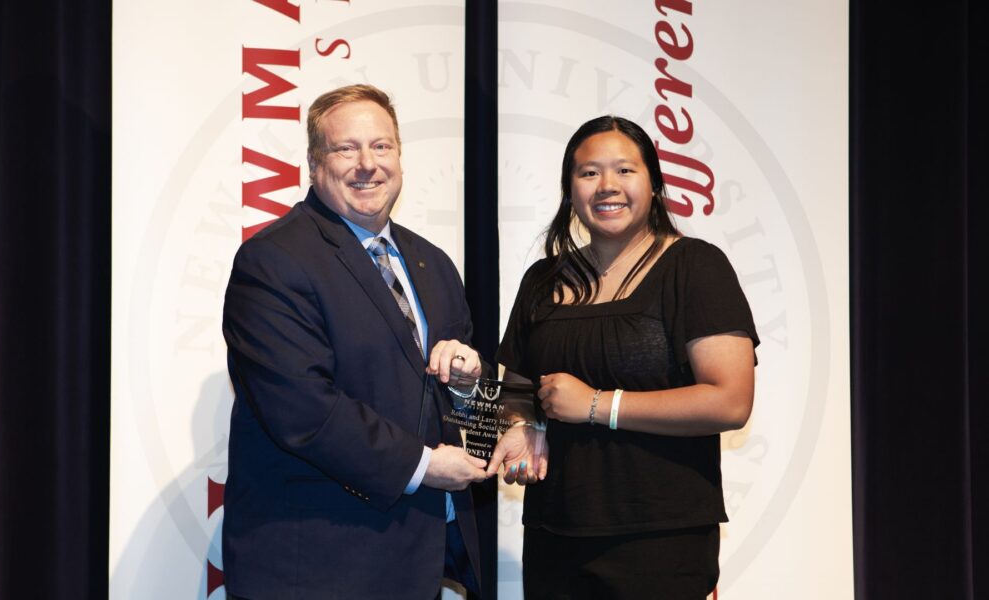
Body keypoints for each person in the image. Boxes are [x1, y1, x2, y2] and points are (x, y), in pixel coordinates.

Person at [222, 84, 488, 600]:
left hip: (417, 563)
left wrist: (467, 384)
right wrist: (425, 465)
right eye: (347, 148)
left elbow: (454, 407)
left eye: (382, 146)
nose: (367, 164)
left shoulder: (433, 263)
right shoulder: (273, 261)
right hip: (317, 569)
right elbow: (302, 410)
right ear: (314, 163)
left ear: (400, 158)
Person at [487, 116, 759, 599]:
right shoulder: (541, 281)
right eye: (588, 173)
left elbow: (730, 402)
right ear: (570, 190)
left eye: (625, 171)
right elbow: (517, 387)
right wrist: (522, 426)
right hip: (554, 535)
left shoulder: (695, 267)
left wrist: (597, 404)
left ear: (653, 184)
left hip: (661, 539)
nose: (607, 186)